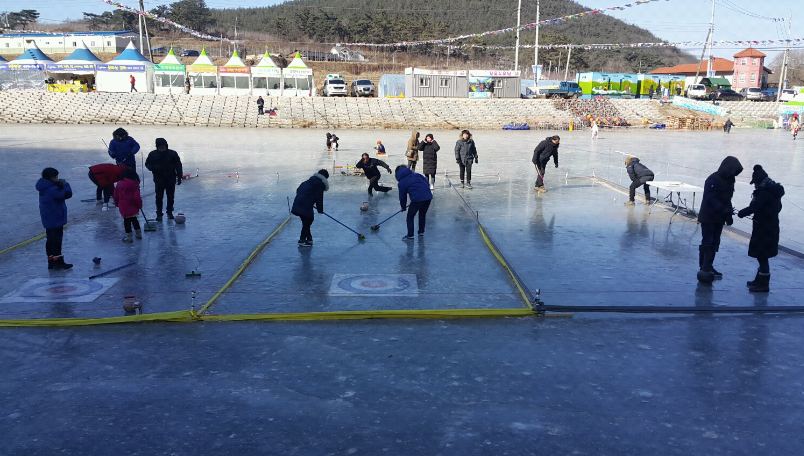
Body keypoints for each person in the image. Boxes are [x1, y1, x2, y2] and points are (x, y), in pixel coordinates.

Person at [737, 165, 785, 293]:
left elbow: (755, 207)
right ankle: (758, 280)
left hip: (765, 229)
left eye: (755, 183)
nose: (754, 185)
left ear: (759, 181)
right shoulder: (772, 190)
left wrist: (741, 213)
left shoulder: (765, 193)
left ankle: (763, 284)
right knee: (761, 255)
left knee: (762, 256)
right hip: (769, 227)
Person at [697, 156, 743, 283]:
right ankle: (704, 266)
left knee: (715, 242)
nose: (734, 174)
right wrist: (723, 209)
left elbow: (727, 199)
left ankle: (710, 265)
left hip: (719, 217)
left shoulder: (730, 180)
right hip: (708, 216)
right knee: (708, 241)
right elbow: (710, 198)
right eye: (733, 171)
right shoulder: (713, 179)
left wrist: (728, 215)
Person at [36, 167, 73, 270]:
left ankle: (51, 261)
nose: (58, 178)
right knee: (56, 240)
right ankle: (58, 262)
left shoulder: (44, 187)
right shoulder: (52, 190)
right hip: (55, 217)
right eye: (57, 177)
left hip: (47, 217)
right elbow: (67, 194)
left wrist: (58, 184)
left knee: (50, 240)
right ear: (52, 178)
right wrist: (65, 184)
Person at [145, 138, 183, 222]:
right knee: (159, 198)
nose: (162, 149)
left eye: (163, 147)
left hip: (170, 178)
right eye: (160, 147)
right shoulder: (153, 154)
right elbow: (147, 164)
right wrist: (154, 168)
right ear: (157, 147)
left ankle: (169, 212)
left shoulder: (172, 154)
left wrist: (179, 176)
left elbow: (178, 165)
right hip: (159, 179)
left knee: (170, 197)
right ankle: (159, 214)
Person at [290, 170, 329, 247]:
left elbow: (298, 190)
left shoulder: (307, 181)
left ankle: (309, 239)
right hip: (305, 204)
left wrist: (307, 199)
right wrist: (320, 210)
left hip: (298, 202)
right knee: (309, 220)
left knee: (306, 222)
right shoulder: (319, 184)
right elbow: (319, 198)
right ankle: (302, 239)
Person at [396, 165, 433, 241]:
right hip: (428, 196)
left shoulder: (402, 182)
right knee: (422, 214)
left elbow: (402, 196)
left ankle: (410, 235)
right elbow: (427, 183)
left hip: (417, 199)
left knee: (410, 217)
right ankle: (421, 232)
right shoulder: (417, 175)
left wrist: (403, 207)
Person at [113, 167, 143, 243]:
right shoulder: (135, 184)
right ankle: (139, 234)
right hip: (133, 206)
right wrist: (139, 205)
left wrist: (116, 202)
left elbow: (116, 195)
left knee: (126, 221)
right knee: (134, 219)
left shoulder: (119, 184)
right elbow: (136, 197)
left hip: (124, 206)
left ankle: (129, 237)